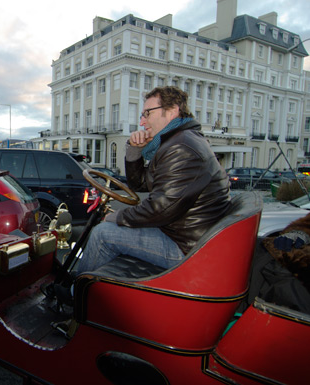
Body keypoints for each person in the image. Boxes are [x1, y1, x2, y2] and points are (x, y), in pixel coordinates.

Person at [69, 86, 231, 286]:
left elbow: (160, 208)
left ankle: (77, 295)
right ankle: (96, 285)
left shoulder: (181, 147)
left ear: (171, 111)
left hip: (186, 247)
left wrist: (116, 216)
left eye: (147, 113)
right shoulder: (176, 142)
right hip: (184, 235)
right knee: (110, 227)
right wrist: (135, 151)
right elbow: (140, 184)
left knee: (102, 233)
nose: (141, 121)